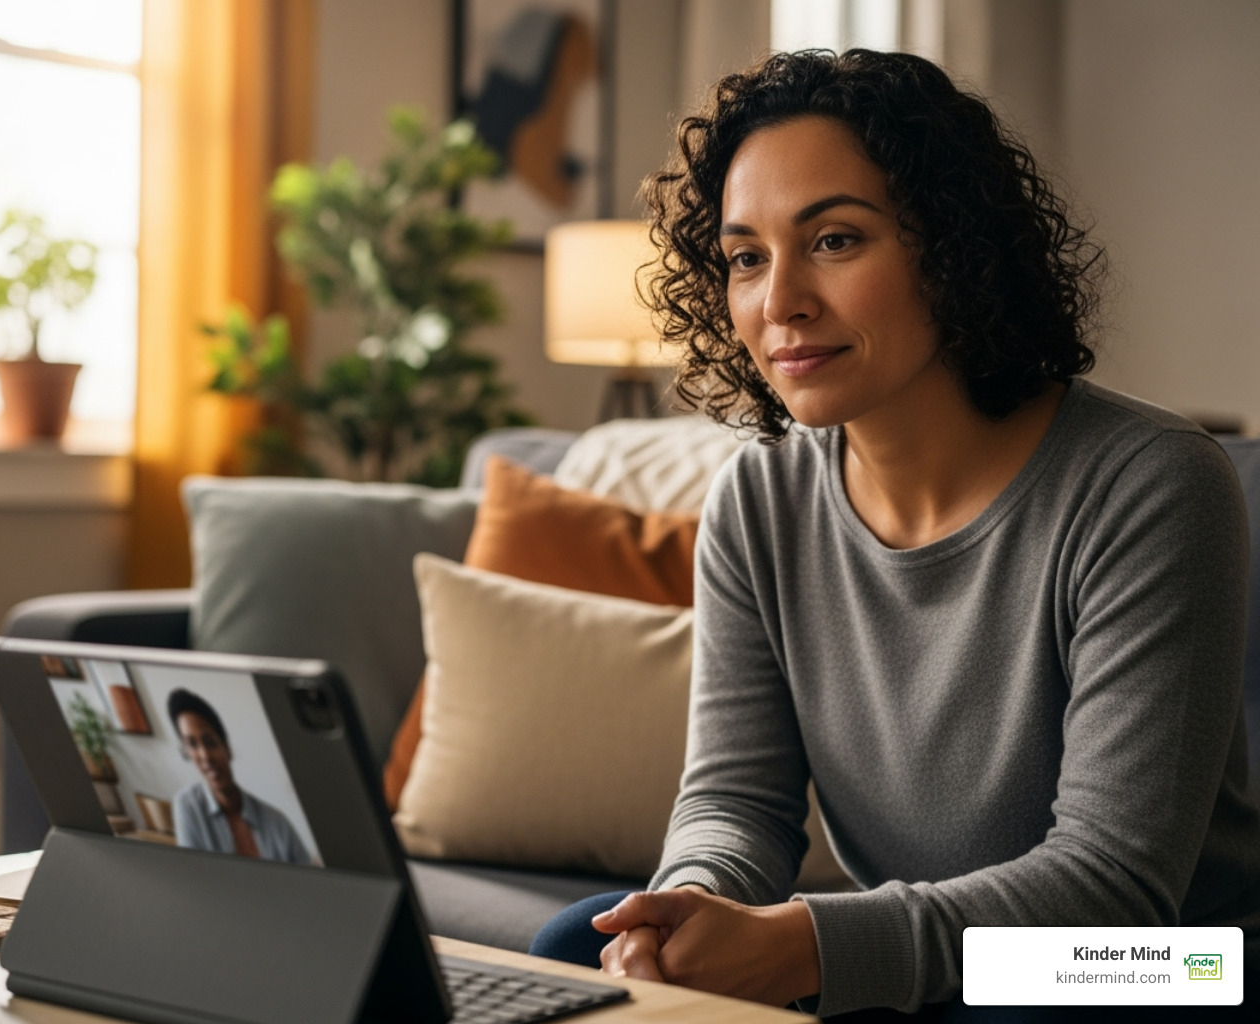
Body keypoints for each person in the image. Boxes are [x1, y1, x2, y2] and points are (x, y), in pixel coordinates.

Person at [528, 49, 1260, 1020]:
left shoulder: (1150, 482)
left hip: (1163, 963)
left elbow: (1113, 886)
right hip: (945, 944)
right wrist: (692, 904)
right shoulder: (759, 500)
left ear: (951, 246)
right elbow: (735, 805)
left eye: (833, 240)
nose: (779, 299)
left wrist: (808, 947)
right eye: (746, 256)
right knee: (581, 944)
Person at [165, 688, 313, 865]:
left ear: (226, 748)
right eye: (192, 745)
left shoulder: (277, 823)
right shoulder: (188, 806)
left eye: (210, 742)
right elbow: (195, 881)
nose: (205, 756)